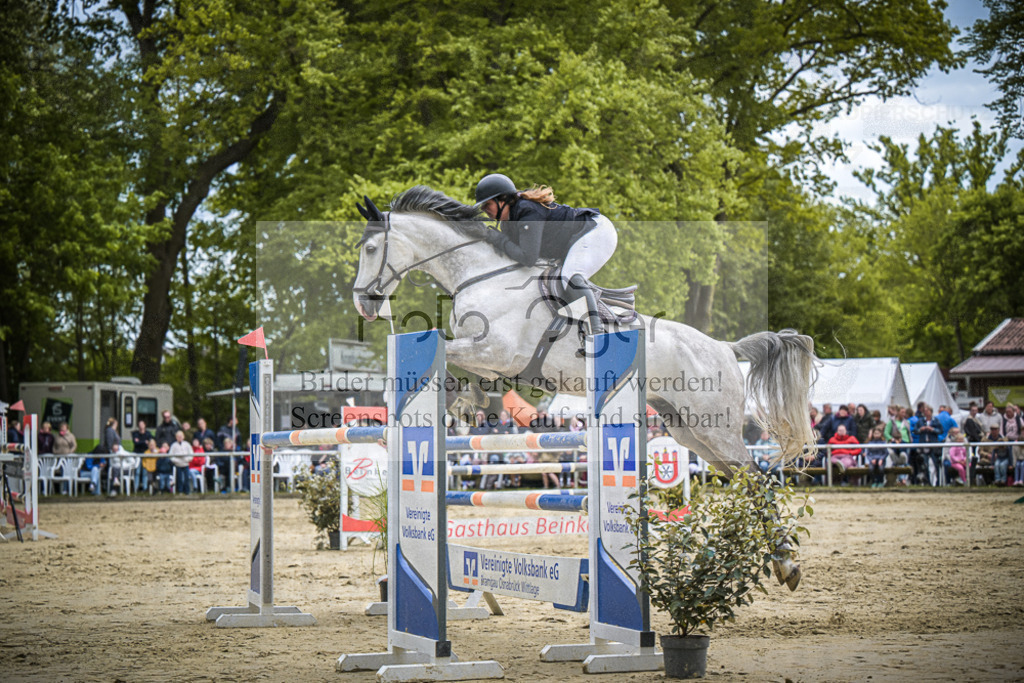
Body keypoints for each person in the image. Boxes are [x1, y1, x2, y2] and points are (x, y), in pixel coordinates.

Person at [474, 174, 616, 354]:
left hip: (595, 232)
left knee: (570, 278)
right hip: (572, 241)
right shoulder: (508, 223)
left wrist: (496, 238)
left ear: (502, 200)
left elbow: (528, 257)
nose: (485, 210)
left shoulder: (527, 210)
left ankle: (598, 336)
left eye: (488, 205)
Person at [168, 430, 193, 494]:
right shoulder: (173, 445)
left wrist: (187, 460)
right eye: (178, 436)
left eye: (181, 436)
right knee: (179, 479)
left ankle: (187, 491)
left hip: (186, 464)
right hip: (178, 465)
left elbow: (191, 454)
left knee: (186, 478)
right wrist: (176, 461)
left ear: (183, 437)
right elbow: (170, 455)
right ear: (176, 437)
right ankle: (180, 491)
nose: (179, 438)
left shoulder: (187, 444)